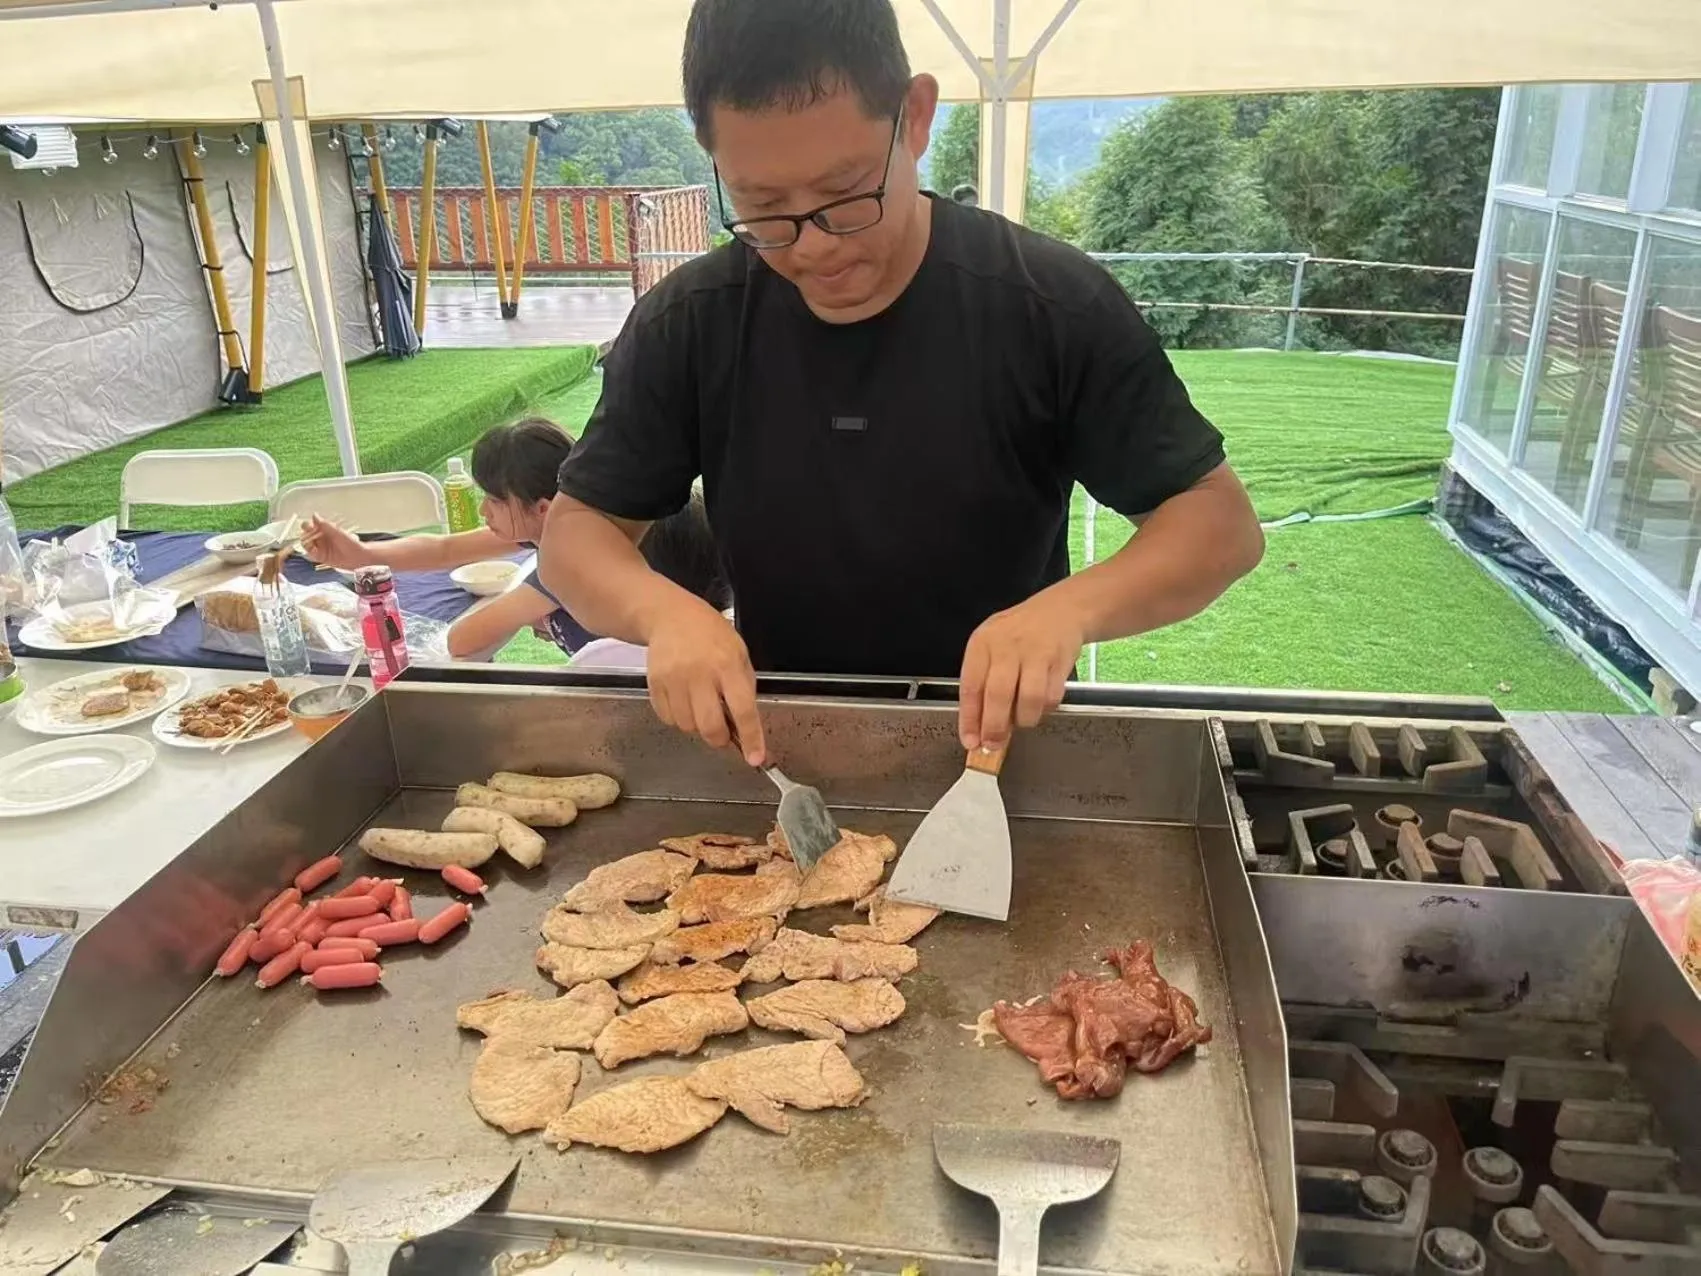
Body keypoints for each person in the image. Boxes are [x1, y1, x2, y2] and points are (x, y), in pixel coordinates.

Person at [541, 0, 1264, 768]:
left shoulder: (1049, 304)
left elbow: (1217, 525)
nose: (813, 247)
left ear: (914, 118)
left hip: (1002, 749)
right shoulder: (689, 321)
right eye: (762, 208)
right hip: (781, 744)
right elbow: (576, 536)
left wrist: (1066, 612)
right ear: (714, 157)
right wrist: (663, 614)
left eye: (847, 193)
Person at [301, 418, 728, 661]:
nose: (484, 511)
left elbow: (461, 640)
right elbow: (445, 549)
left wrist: (532, 611)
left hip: (645, 690)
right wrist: (358, 553)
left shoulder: (568, 562)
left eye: (492, 499)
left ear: (541, 508)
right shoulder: (577, 515)